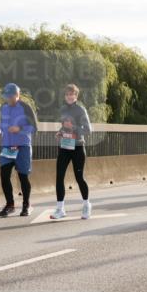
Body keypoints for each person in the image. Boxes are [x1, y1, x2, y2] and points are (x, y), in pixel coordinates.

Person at [0, 83, 37, 216]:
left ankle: (26, 205)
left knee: (23, 176)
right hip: (7, 147)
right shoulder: (3, 107)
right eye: (6, 96)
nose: (8, 99)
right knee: (4, 175)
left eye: (10, 96)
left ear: (17, 95)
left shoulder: (25, 107)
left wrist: (20, 129)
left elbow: (34, 128)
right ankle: (10, 204)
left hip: (22, 146)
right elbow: (2, 123)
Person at [51, 84, 92, 219]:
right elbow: (65, 127)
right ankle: (60, 209)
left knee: (79, 178)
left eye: (72, 94)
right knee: (59, 177)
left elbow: (88, 130)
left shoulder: (81, 110)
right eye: (67, 94)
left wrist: (73, 127)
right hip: (64, 147)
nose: (69, 96)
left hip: (78, 147)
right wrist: (60, 132)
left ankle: (86, 205)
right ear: (65, 96)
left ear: (76, 96)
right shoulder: (62, 109)